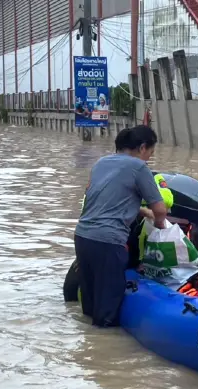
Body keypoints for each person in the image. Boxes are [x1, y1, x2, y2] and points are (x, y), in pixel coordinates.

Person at [74, 125, 167, 327]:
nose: (149, 158)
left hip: (82, 237)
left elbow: (99, 198)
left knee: (89, 307)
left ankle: (85, 351)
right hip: (108, 242)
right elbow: (160, 209)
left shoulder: (101, 163)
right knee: (107, 311)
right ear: (142, 147)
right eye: (150, 152)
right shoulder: (139, 167)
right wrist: (161, 225)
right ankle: (102, 355)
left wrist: (141, 211)